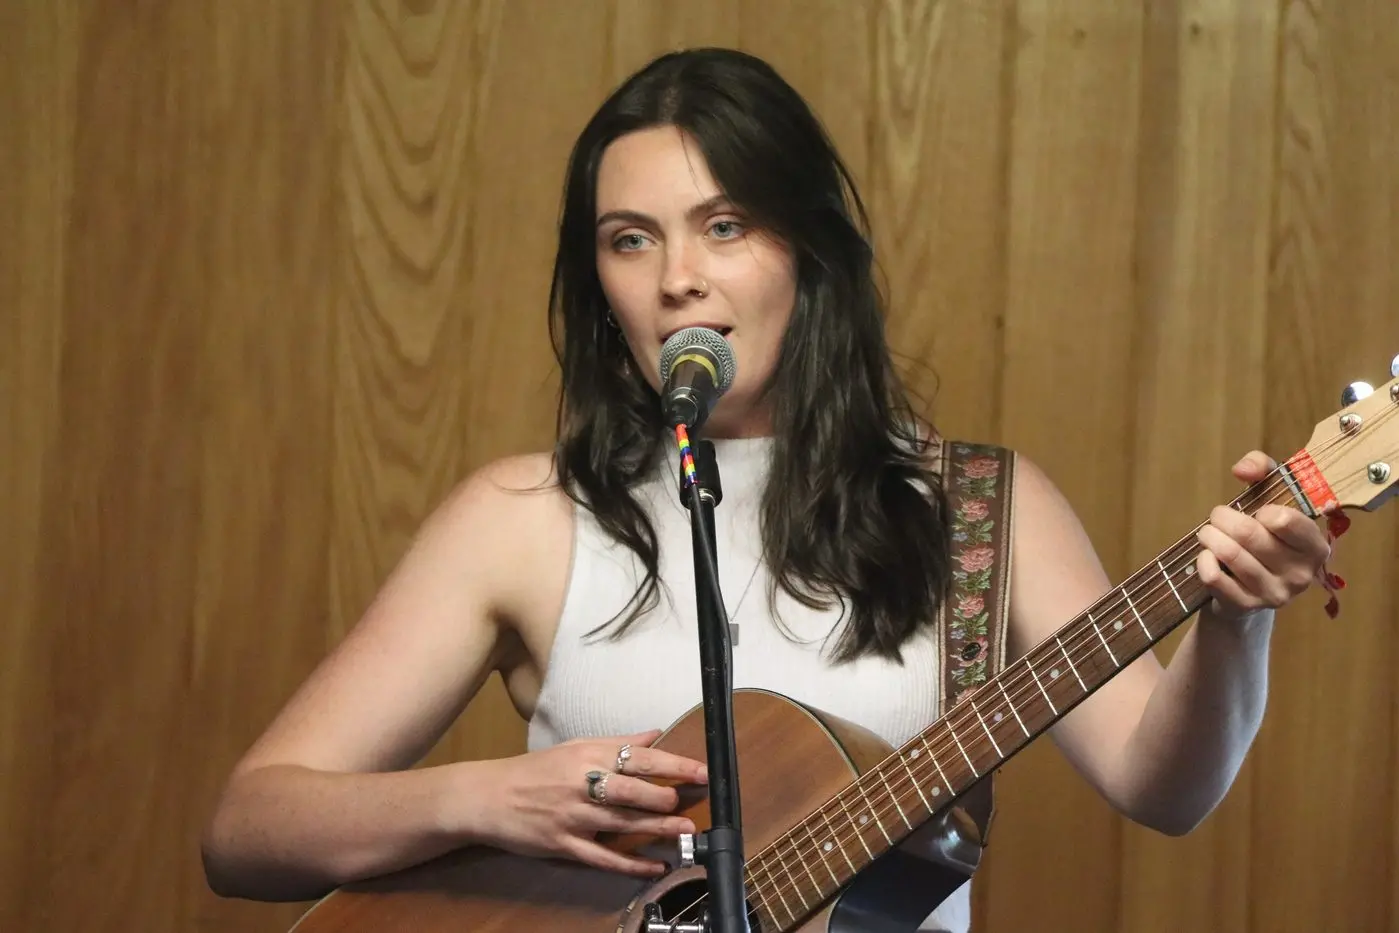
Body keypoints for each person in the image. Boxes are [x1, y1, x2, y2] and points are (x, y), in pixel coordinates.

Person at [200, 48, 1333, 931]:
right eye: (629, 240)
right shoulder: (525, 518)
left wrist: (1233, 628)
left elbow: (1161, 786)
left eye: (724, 227)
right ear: (598, 284)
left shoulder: (979, 510)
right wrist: (485, 799)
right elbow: (249, 829)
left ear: (806, 257)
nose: (678, 277)